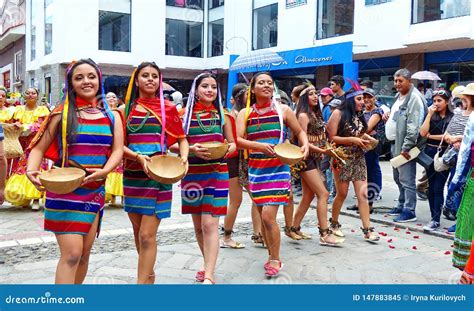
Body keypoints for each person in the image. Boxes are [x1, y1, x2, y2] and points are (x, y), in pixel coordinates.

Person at [26, 59, 124, 284]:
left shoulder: (112, 116)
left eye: (91, 76)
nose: (86, 81)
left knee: (84, 255)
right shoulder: (61, 114)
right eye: (79, 78)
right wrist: (32, 171)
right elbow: (38, 147)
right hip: (64, 190)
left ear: (99, 80)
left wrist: (104, 172)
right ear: (70, 83)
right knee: (71, 255)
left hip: (95, 191)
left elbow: (118, 150)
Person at [236, 72, 309, 277]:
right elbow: (239, 140)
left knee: (268, 216)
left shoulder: (283, 110)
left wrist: (305, 146)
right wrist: (258, 145)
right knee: (263, 215)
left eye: (270, 83)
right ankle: (271, 252)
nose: (266, 85)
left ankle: (275, 259)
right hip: (256, 170)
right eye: (261, 82)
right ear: (253, 88)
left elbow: (300, 132)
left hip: (279, 169)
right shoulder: (245, 113)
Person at [121, 62, 188, 284]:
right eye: (145, 75)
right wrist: (138, 157)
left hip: (160, 174)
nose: (150, 79)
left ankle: (141, 286)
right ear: (136, 80)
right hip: (132, 175)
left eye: (155, 76)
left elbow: (181, 139)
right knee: (137, 231)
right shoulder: (124, 110)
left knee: (147, 235)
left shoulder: (168, 108)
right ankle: (148, 275)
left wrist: (184, 158)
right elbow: (118, 145)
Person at [181, 73, 236, 284]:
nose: (210, 90)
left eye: (213, 87)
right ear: (196, 89)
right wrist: (191, 149)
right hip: (192, 175)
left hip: (217, 173)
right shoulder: (183, 115)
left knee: (209, 225)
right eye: (205, 86)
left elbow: (233, 144)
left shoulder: (223, 115)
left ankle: (210, 276)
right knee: (198, 226)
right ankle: (207, 263)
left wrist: (223, 151)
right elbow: (173, 144)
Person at [291, 84, 344, 246]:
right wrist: (325, 151)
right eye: (311, 94)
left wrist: (327, 148)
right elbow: (302, 141)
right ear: (304, 98)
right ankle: (324, 233)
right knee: (324, 194)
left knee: (308, 196)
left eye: (316, 93)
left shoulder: (315, 114)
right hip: (306, 159)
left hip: (316, 158)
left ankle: (293, 228)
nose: (315, 96)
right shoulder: (303, 116)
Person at [327, 82, 380, 243]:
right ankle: (334, 223)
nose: (362, 102)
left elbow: (361, 133)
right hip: (341, 157)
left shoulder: (359, 115)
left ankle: (367, 229)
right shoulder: (338, 113)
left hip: (358, 157)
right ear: (350, 100)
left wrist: (367, 139)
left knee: (362, 194)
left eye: (363, 99)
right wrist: (352, 139)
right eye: (359, 99)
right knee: (341, 193)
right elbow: (331, 137)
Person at [385, 69, 427, 222]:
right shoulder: (399, 96)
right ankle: (402, 204)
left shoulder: (415, 98)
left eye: (400, 81)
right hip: (395, 144)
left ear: (410, 81)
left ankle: (409, 211)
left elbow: (413, 127)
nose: (397, 84)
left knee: (407, 179)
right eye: (395, 81)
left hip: (405, 146)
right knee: (398, 177)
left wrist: (406, 147)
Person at [6, 87, 50, 210]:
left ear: (37, 95)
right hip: (22, 144)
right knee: (21, 169)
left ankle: (36, 198)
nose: (31, 95)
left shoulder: (42, 110)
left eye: (33, 93)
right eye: (28, 93)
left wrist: (33, 127)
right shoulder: (18, 110)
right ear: (24, 96)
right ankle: (24, 197)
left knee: (36, 168)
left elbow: (45, 125)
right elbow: (11, 124)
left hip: (37, 144)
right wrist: (16, 125)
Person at [419, 89, 454, 231]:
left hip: (444, 154)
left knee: (439, 187)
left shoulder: (452, 117)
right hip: (429, 153)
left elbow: (447, 136)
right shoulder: (431, 116)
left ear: (447, 102)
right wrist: (429, 115)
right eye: (434, 101)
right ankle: (434, 216)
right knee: (430, 187)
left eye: (439, 100)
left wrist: (430, 136)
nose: (436, 103)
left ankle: (436, 219)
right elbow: (422, 132)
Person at [347, 88, 385, 212]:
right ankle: (360, 203)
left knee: (371, 173)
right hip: (363, 144)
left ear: (375, 98)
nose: (366, 99)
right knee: (362, 175)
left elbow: (365, 129)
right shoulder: (362, 111)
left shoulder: (377, 111)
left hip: (372, 145)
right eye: (364, 97)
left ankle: (369, 205)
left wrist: (360, 129)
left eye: (369, 97)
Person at [220, 83, 248, 249]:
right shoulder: (233, 114)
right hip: (234, 161)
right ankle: (226, 236)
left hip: (245, 160)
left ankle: (259, 234)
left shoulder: (245, 112)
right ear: (240, 96)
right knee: (236, 200)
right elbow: (235, 142)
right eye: (247, 94)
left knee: (247, 199)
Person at [104, 91, 123, 205]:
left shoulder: (121, 112)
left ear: (117, 100)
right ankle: (112, 197)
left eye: (114, 97)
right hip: (107, 147)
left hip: (120, 145)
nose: (111, 99)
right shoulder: (103, 113)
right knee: (110, 170)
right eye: (108, 97)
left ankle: (122, 198)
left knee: (120, 171)